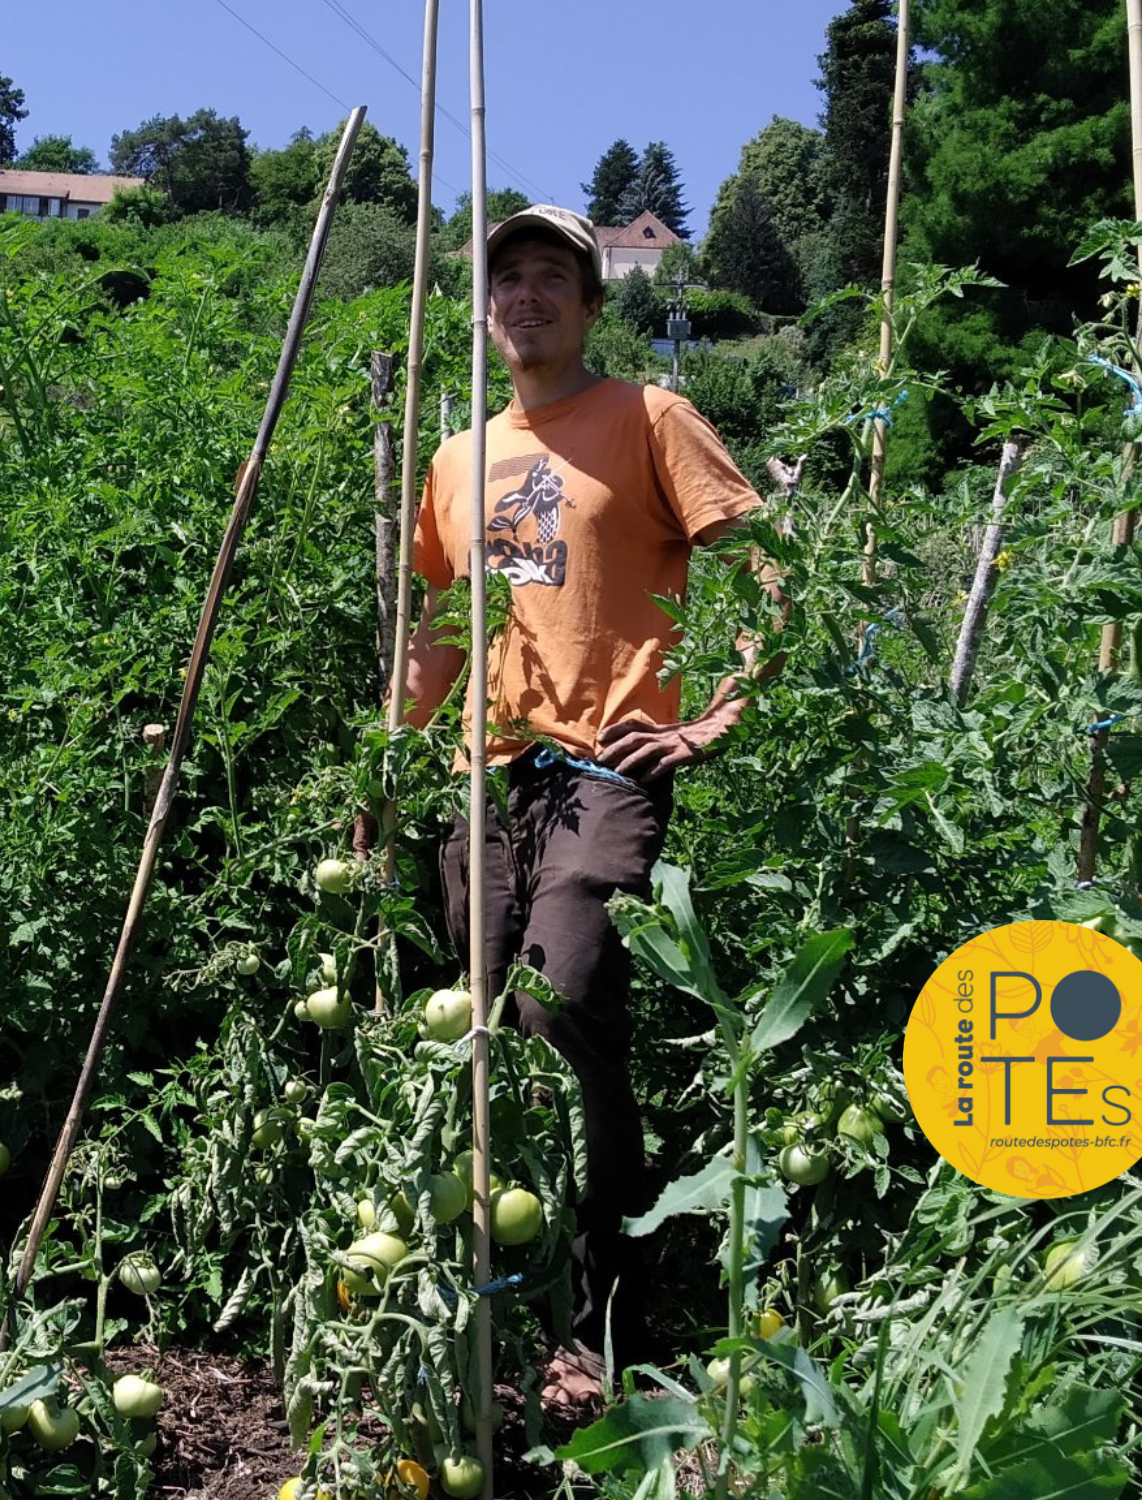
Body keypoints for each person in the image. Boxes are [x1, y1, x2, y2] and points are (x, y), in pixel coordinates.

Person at [396, 204, 782, 1408]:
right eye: (505, 276)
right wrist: (389, 764)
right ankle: (489, 1313)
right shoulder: (458, 458)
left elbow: (771, 570)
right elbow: (432, 632)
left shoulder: (647, 417)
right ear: (485, 306)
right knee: (480, 1035)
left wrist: (714, 712)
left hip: (608, 769)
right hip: (483, 775)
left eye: (549, 276)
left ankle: (606, 1317)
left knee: (562, 1012)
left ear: (589, 301)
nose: (524, 294)